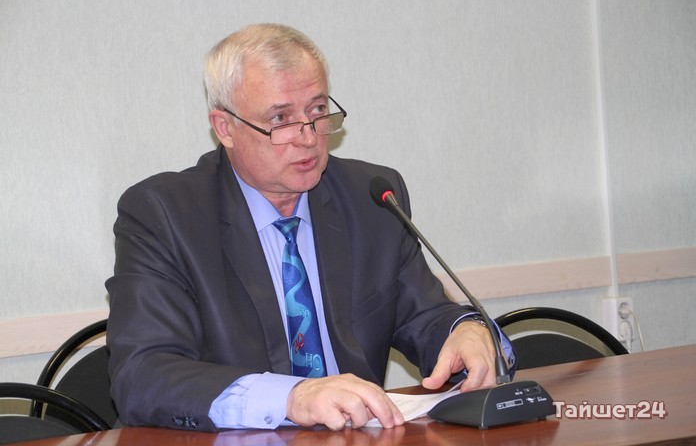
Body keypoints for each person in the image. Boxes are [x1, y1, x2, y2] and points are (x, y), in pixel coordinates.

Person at [105, 23, 515, 432]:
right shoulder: (164, 214)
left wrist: (467, 331)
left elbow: (427, 316)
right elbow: (142, 374)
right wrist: (290, 397)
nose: (308, 138)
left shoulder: (369, 199)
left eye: (317, 111)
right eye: (280, 119)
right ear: (225, 127)